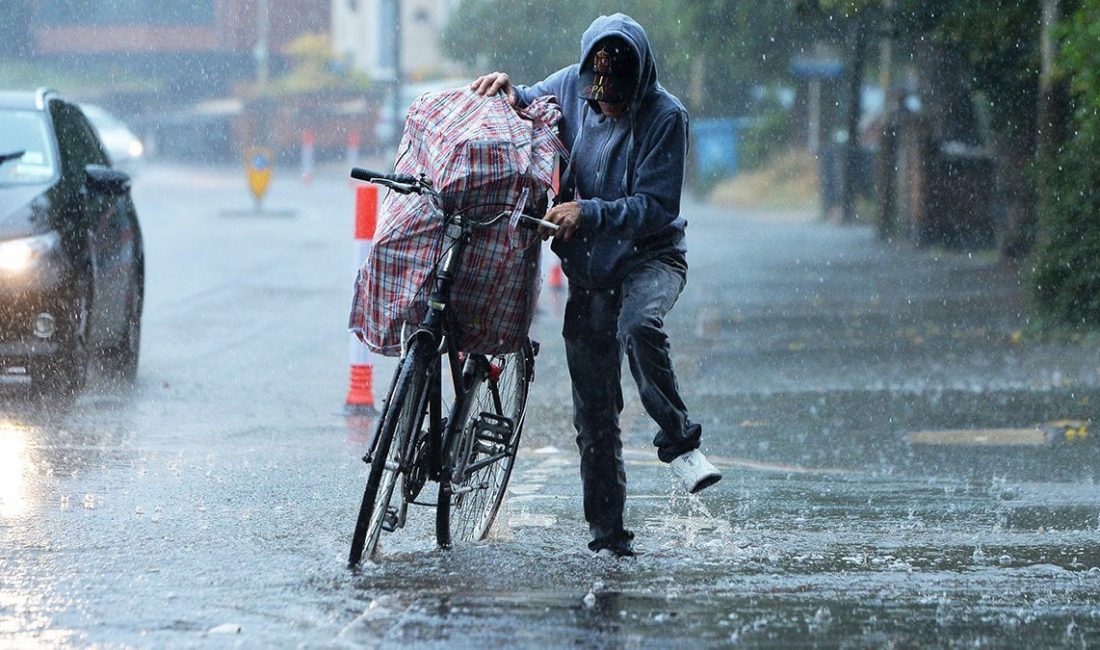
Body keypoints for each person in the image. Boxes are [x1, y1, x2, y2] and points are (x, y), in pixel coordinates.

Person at [472, 13, 720, 558]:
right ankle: (609, 539)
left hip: (650, 258)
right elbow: (533, 100)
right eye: (597, 97)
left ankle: (679, 441)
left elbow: (656, 208)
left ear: (640, 83)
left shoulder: (666, 117)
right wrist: (509, 91)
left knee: (639, 324)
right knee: (595, 420)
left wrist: (589, 212)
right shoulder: (571, 85)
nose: (605, 106)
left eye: (617, 98)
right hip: (589, 270)